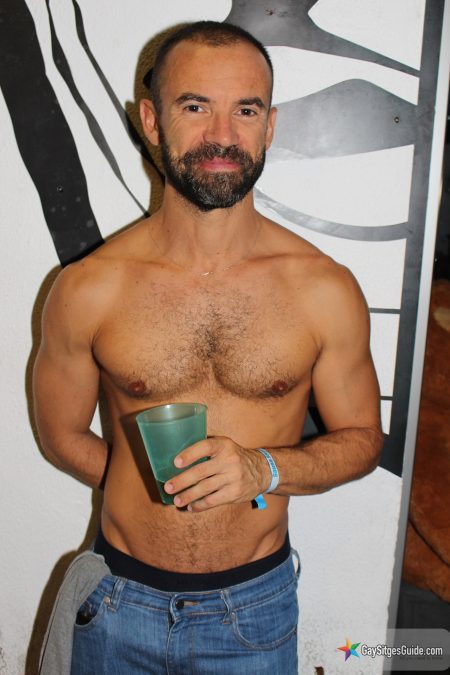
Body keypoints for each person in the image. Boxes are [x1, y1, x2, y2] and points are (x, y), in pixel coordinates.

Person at [33, 20, 383, 675]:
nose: (223, 135)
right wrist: (142, 485)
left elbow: (363, 439)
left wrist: (263, 469)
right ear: (151, 120)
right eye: (195, 107)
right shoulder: (87, 288)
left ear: (269, 126)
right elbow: (60, 434)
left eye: (245, 110)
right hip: (117, 605)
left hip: (253, 613)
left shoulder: (323, 289)